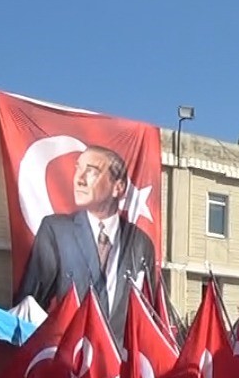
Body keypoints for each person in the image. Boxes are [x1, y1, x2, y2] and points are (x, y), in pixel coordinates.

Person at [15, 146, 158, 348]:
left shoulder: (139, 244)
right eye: (78, 169)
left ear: (118, 187)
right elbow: (29, 305)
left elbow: (150, 316)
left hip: (119, 370)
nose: (79, 179)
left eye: (91, 171)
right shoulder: (57, 230)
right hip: (69, 365)